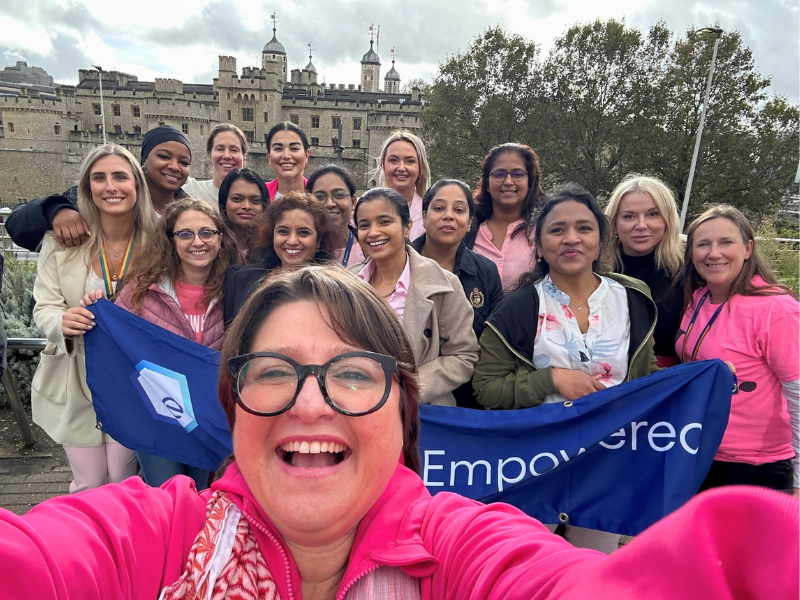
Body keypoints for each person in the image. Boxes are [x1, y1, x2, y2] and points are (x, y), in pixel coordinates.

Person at [2, 265, 798, 600]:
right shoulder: (151, 533)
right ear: (233, 406)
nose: (310, 404)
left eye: (353, 374)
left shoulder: (464, 549)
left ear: (402, 410)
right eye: (273, 372)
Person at [473, 184, 658, 553]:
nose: (571, 238)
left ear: (602, 239)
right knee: (526, 568)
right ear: (539, 245)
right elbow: (486, 387)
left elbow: (648, 378)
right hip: (536, 465)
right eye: (557, 230)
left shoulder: (634, 300)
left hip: (608, 463)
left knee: (595, 572)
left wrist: (711, 376)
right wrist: (551, 379)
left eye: (584, 228)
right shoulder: (516, 310)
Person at [30, 143, 157, 493]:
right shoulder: (60, 243)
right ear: (87, 188)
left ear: (137, 185)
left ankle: (123, 545)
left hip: (133, 379)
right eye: (99, 178)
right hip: (76, 375)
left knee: (122, 477)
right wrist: (62, 323)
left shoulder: (159, 240)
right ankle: (85, 546)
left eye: (120, 176)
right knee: (88, 481)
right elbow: (44, 307)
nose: (110, 187)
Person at [109, 198, 241, 489]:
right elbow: (114, 342)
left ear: (220, 239)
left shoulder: (236, 291)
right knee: (168, 494)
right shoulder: (142, 290)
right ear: (170, 241)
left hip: (211, 419)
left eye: (207, 233)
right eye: (185, 234)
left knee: (204, 495)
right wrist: (90, 315)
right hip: (157, 419)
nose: (198, 242)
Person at [675, 205, 799, 495]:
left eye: (726, 242)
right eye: (703, 244)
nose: (713, 253)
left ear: (747, 249)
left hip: (755, 466)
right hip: (699, 452)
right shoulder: (699, 297)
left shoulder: (776, 309)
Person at [353, 187, 479, 406]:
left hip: (420, 410)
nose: (373, 232)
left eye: (384, 222)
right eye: (364, 225)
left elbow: (463, 355)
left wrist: (408, 387)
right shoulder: (347, 282)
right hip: (355, 404)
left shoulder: (444, 285)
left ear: (407, 227)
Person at [5, 125, 192, 251]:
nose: (174, 166)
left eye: (184, 162)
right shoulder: (107, 195)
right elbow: (18, 224)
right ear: (144, 161)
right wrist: (54, 210)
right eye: (164, 156)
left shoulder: (189, 211)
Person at [222, 191, 340, 325]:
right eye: (283, 231)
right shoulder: (238, 279)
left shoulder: (334, 291)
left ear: (319, 241)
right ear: (271, 235)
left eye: (303, 232)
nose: (292, 241)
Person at [605, 175, 684, 367]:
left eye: (653, 214)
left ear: (668, 220)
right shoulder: (596, 270)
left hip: (670, 380)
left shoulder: (690, 267)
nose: (641, 225)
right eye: (629, 216)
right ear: (614, 222)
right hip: (610, 381)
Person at [412, 178, 503, 339]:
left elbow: (494, 339)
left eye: (459, 210)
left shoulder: (486, 272)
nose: (449, 216)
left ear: (469, 222)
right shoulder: (399, 264)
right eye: (439, 208)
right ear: (424, 217)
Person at [464, 143, 545, 291]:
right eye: (499, 174)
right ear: (487, 184)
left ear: (530, 182)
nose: (508, 182)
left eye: (517, 174)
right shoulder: (467, 231)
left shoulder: (544, 230)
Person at [372, 130, 431, 240]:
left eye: (410, 161)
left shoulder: (431, 216)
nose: (401, 168)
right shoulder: (364, 211)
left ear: (421, 167)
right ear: (383, 164)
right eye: (393, 160)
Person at [307, 164, 365, 267]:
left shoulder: (368, 249)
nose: (329, 203)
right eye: (320, 196)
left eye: (339, 195)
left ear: (353, 201)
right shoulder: (302, 249)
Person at [182, 124, 247, 204]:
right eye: (220, 149)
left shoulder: (257, 197)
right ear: (209, 155)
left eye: (234, 150)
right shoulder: (192, 189)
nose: (227, 156)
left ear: (244, 157)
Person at [218, 168, 268, 256]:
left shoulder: (273, 248)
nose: (247, 206)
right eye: (237, 199)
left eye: (255, 201)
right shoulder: (213, 244)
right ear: (224, 202)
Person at [265, 121, 310, 199]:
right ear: (269, 156)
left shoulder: (320, 195)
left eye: (294, 148)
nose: (286, 156)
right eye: (278, 149)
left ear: (306, 155)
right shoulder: (259, 194)